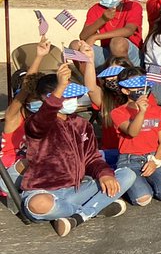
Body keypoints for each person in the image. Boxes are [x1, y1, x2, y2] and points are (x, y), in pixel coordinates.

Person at [19, 66, 136, 236]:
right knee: (38, 205)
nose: (73, 99)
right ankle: (94, 208)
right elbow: (41, 122)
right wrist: (60, 88)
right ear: (48, 98)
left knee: (127, 175)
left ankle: (80, 215)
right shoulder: (35, 123)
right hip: (45, 192)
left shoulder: (82, 124)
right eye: (68, 95)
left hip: (76, 190)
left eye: (74, 95)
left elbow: (92, 158)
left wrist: (104, 173)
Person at [111, 74, 161, 205]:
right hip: (129, 159)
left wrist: (155, 161)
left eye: (145, 87)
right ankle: (126, 180)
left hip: (152, 156)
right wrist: (141, 112)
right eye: (138, 88)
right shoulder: (118, 112)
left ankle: (145, 182)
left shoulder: (158, 110)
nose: (143, 91)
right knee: (143, 198)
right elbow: (132, 132)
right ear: (125, 90)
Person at [80, 0, 144, 66]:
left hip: (130, 53)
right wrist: (103, 19)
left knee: (117, 42)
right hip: (107, 53)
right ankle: (92, 79)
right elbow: (83, 36)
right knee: (77, 46)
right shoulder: (95, 9)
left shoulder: (132, 6)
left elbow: (129, 30)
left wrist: (95, 37)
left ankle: (124, 76)